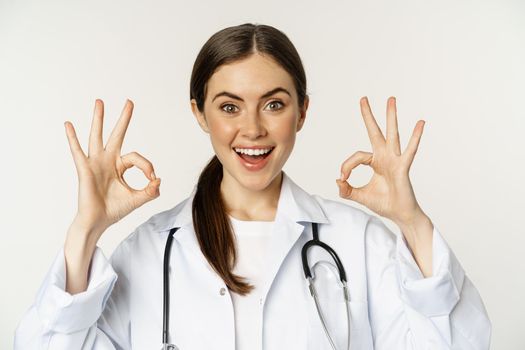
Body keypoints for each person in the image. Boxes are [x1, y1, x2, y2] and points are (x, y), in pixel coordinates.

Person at [14, 23, 491, 350]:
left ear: (302, 112)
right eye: (228, 106)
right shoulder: (149, 250)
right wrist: (85, 231)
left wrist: (412, 221)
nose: (253, 129)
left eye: (274, 104)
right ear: (199, 113)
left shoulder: (358, 242)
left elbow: (460, 343)